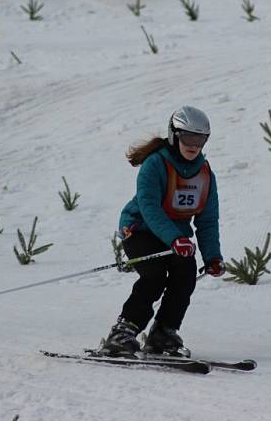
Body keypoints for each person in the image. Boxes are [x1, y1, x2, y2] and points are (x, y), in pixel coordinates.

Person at [100, 106, 225, 358]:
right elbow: (149, 208)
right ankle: (123, 332)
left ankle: (163, 333)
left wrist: (212, 257)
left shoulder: (204, 174)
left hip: (176, 236)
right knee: (154, 276)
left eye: (200, 139)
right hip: (140, 229)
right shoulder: (155, 164)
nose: (193, 145)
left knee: (186, 273)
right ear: (174, 136)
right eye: (188, 138)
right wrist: (175, 238)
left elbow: (208, 220)